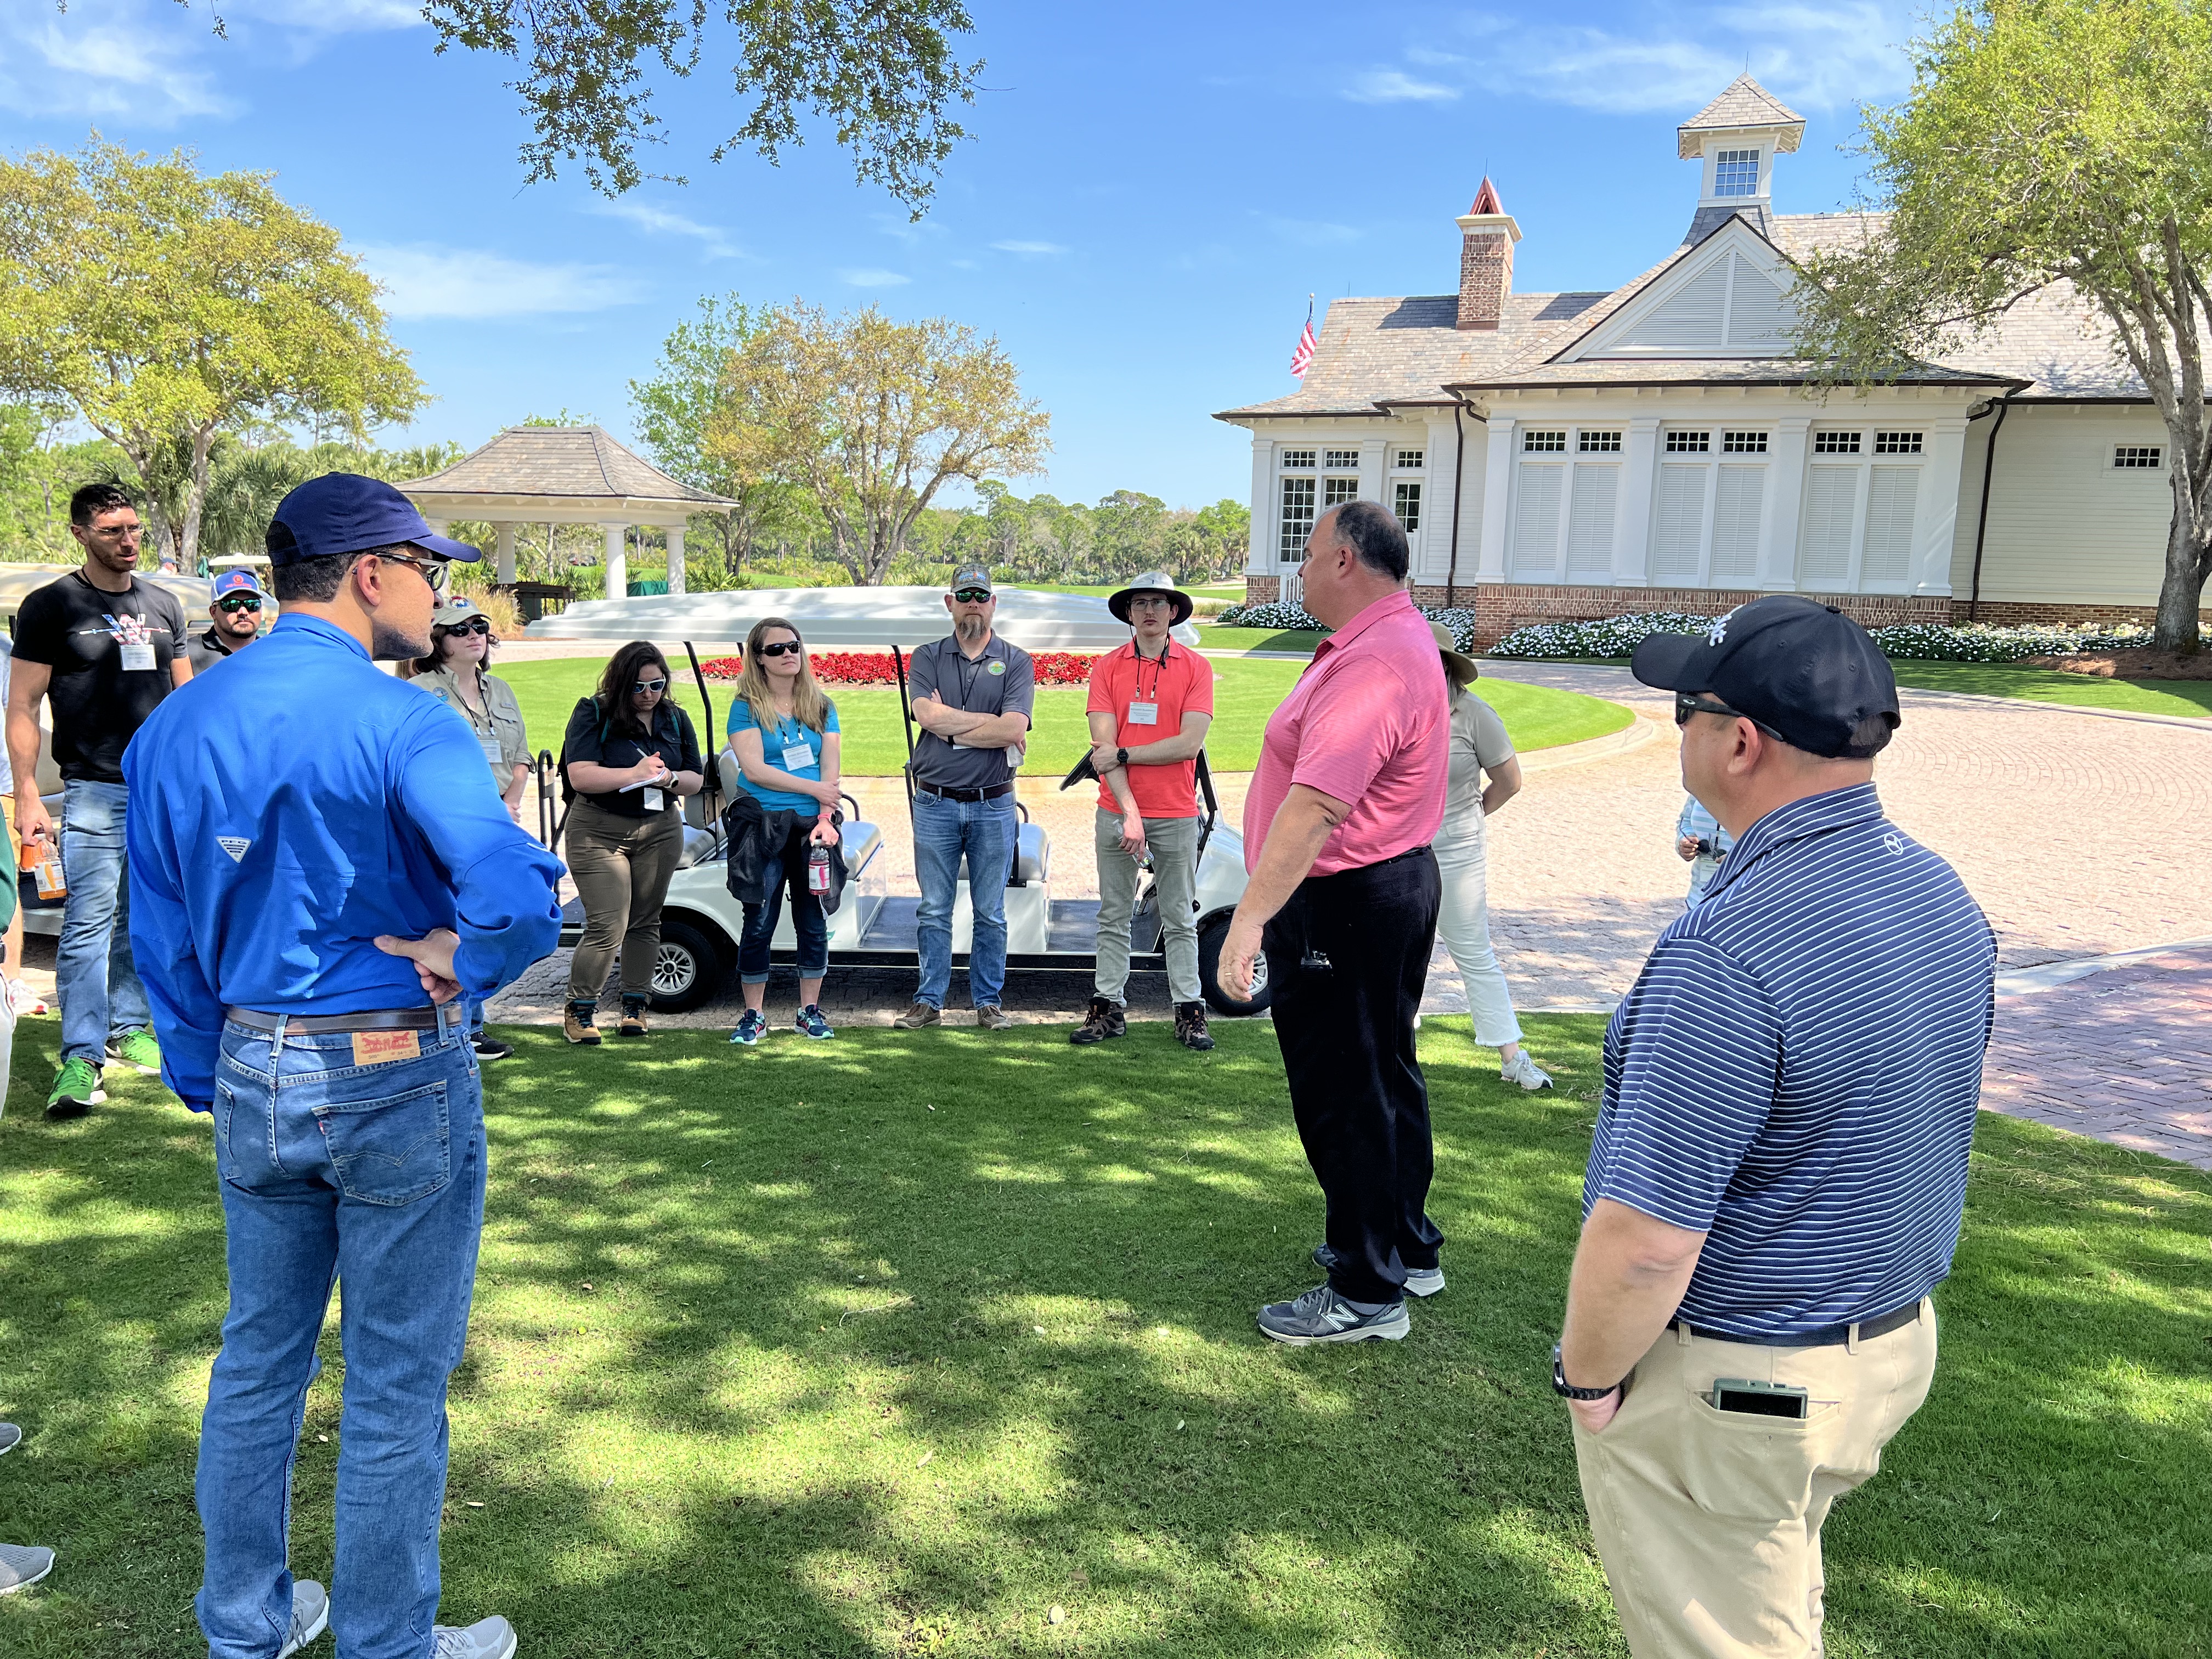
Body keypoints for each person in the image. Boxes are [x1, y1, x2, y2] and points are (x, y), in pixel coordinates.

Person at [123, 472, 563, 1659]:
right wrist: (463, 960)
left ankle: (246, 1630)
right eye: (434, 569)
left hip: (255, 1062)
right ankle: (384, 1645)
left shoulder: (177, 722)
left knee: (258, 1361)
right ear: (371, 573)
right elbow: (521, 895)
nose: (445, 593)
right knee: (393, 1389)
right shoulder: (405, 717)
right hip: (390, 1066)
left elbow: (156, 932)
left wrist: (206, 1068)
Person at [1553, 597, 1996, 1659]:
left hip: (1744, 1384)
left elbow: (1648, 1238)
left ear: (1739, 741)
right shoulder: (1935, 890)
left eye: (1686, 712)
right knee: (1773, 1594)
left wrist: (1588, 1372)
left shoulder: (1724, 949)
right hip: (1879, 1348)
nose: (1682, 734)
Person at [1217, 500, 1449, 1345]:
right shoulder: (1387, 639)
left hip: (1345, 900)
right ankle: (1404, 1249)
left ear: (1346, 560)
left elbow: (1314, 808)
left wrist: (1247, 924)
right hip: (1383, 888)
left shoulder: (1377, 661)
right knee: (1384, 1073)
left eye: (1309, 555)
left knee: (1345, 1091)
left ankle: (1365, 1288)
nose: (1302, 570)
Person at [8, 481, 190, 1119]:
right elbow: (24, 703)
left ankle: (129, 1025)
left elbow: (185, 707)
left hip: (158, 794)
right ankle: (81, 1055)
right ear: (81, 533)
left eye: (135, 529)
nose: (129, 540)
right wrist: (29, 794)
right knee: (88, 922)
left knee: (142, 916)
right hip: (91, 789)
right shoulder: (52, 606)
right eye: (114, 531)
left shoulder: (163, 604)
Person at [1071, 570, 1216, 1052]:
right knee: (1113, 913)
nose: (1150, 611)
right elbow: (1102, 749)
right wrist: (1130, 811)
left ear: (1173, 612)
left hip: (1176, 809)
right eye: (1140, 604)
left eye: (1159, 603)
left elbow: (1189, 743)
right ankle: (1106, 1008)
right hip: (1117, 808)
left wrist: (1129, 754)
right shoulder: (1107, 667)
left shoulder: (1196, 667)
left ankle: (1190, 1012)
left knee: (1178, 916)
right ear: (1129, 613)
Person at [893, 565, 1035, 1031]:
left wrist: (952, 728)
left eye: (982, 595)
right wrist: (984, 726)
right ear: (949, 602)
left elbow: (1014, 728)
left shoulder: (1015, 660)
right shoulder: (927, 656)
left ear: (994, 603)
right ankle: (929, 1000)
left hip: (993, 803)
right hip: (934, 803)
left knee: (989, 910)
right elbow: (925, 714)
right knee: (933, 907)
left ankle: (987, 1002)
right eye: (965, 594)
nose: (973, 602)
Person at [560, 641, 704, 1043]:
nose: (649, 695)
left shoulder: (675, 718)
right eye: (639, 687)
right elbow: (581, 777)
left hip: (659, 829)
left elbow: (695, 778)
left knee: (646, 920)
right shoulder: (593, 711)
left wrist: (668, 779)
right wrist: (634, 773)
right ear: (621, 683)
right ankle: (580, 1010)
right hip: (599, 830)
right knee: (608, 923)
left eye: (657, 685)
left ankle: (635, 1007)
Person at [1427, 622, 1551, 1090]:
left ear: (1446, 666)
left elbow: (1509, 781)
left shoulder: (1474, 714)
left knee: (1473, 952)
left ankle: (1512, 1056)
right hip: (1401, 848)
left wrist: (1473, 813)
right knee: (1398, 950)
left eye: (1430, 659)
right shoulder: (1397, 709)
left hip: (1458, 849)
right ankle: (1393, 1045)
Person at [410, 596, 534, 1063]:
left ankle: (474, 1023)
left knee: (486, 917)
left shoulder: (500, 689)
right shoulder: (421, 690)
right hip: (448, 820)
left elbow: (521, 755)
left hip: (497, 820)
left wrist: (510, 802)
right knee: (451, 918)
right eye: (460, 629)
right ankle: (456, 1022)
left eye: (479, 626)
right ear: (438, 641)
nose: (474, 635)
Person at [724, 617, 844, 1045]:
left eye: (793, 646)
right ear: (758, 658)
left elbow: (831, 767)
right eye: (776, 649)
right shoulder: (745, 706)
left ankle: (809, 1011)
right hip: (763, 826)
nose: (788, 654)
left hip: (814, 826)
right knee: (758, 919)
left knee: (812, 920)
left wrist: (827, 818)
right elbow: (754, 770)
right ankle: (753, 1016)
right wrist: (815, 788)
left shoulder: (822, 705)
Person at [184, 568, 270, 674]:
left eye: (252, 604)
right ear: (213, 612)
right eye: (231, 605)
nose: (243, 612)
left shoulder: (272, 654)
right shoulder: (187, 655)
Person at [1674, 793, 1733, 909]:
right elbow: (1685, 821)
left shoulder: (1764, 785)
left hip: (1741, 904)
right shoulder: (1702, 780)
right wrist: (1685, 841)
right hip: (1698, 899)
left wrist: (1741, 858)